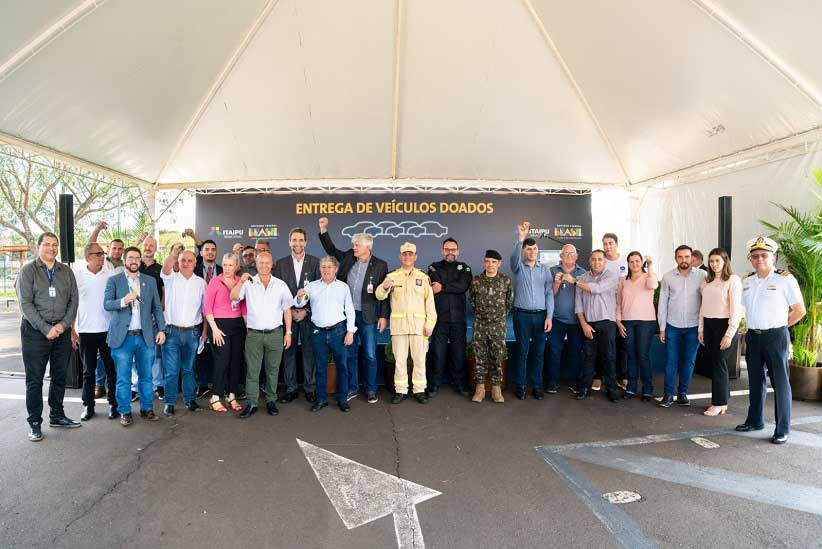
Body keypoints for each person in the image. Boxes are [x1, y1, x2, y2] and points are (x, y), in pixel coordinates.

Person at [736, 236, 805, 444]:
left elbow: (799, 311)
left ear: (773, 257)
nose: (760, 259)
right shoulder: (746, 281)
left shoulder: (785, 279)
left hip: (776, 337)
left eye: (764, 255)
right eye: (755, 256)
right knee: (755, 382)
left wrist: (782, 327)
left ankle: (782, 428)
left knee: (780, 384)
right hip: (753, 337)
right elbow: (742, 309)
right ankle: (755, 420)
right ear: (750, 259)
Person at [16, 232, 80, 441]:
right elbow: (25, 304)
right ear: (38, 246)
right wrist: (46, 329)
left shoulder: (66, 271)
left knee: (59, 376)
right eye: (47, 245)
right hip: (35, 333)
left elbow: (74, 300)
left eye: (55, 245)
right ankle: (35, 422)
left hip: (60, 332)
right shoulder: (28, 271)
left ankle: (57, 415)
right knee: (34, 380)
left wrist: (63, 325)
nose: (51, 248)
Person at [318, 217, 389, 403]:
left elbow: (385, 293)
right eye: (354, 245)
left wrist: (383, 316)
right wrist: (324, 230)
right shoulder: (349, 257)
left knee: (370, 354)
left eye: (357, 245)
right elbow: (331, 251)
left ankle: (372, 389)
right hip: (346, 315)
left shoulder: (381, 265)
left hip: (368, 316)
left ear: (368, 247)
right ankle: (352, 388)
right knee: (350, 353)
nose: (354, 248)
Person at [104, 246, 166, 426]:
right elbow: (107, 304)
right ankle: (124, 412)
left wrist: (161, 329)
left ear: (140, 261)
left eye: (137, 258)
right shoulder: (114, 280)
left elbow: (156, 308)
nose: (134, 261)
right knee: (123, 378)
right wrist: (123, 300)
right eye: (130, 258)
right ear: (125, 260)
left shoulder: (149, 281)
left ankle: (147, 409)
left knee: (146, 377)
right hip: (123, 339)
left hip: (145, 337)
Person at [230, 251, 293, 418]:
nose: (264, 266)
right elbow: (233, 297)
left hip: (275, 334)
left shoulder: (281, 285)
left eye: (267, 263)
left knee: (273, 370)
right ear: (255, 264)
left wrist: (288, 332)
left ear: (272, 264)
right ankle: (252, 403)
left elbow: (287, 310)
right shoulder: (249, 282)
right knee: (253, 371)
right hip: (254, 335)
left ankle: (271, 400)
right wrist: (241, 281)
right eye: (261, 263)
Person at [376, 242, 437, 405]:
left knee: (419, 360)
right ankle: (401, 390)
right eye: (405, 254)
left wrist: (430, 324)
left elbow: (430, 304)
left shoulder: (424, 278)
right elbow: (379, 295)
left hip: (419, 327)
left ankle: (419, 390)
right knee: (400, 361)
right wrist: (384, 286)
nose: (408, 257)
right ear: (400, 256)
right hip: (399, 327)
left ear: (415, 257)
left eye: (411, 254)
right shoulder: (392, 276)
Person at [295, 256, 356, 412]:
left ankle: (342, 399)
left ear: (335, 269)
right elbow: (300, 304)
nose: (326, 270)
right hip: (318, 333)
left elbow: (349, 309)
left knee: (342, 366)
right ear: (320, 269)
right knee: (320, 368)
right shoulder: (311, 287)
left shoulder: (343, 287)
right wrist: (300, 296)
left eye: (329, 267)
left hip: (339, 332)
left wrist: (350, 331)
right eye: (323, 267)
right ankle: (321, 399)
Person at [274, 228, 320, 404]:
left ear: (306, 242)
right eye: (294, 240)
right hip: (288, 317)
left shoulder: (315, 263)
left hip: (308, 316)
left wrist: (306, 311)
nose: (297, 243)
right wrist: (290, 311)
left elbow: (318, 291)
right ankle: (291, 388)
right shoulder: (281, 264)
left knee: (309, 353)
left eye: (301, 240)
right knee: (289, 353)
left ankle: (310, 388)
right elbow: (277, 292)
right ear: (289, 242)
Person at [160, 244, 207, 416]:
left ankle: (190, 400)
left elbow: (205, 309)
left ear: (195, 263)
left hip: (193, 333)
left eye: (190, 260)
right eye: (183, 260)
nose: (186, 263)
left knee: (189, 369)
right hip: (171, 332)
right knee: (171, 371)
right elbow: (165, 268)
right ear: (178, 263)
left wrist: (205, 332)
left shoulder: (201, 283)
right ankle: (170, 402)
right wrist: (173, 254)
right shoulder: (171, 278)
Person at [72, 243, 117, 421]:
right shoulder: (77, 275)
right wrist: (72, 331)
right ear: (87, 257)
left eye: (103, 253)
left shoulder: (110, 274)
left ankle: (113, 404)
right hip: (86, 331)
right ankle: (88, 406)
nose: (102, 256)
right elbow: (72, 304)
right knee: (88, 372)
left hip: (108, 330)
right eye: (98, 254)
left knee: (111, 370)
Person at [657, 245, 707, 408]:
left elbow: (707, 302)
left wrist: (703, 328)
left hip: (694, 327)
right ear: (675, 258)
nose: (684, 260)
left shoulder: (703, 276)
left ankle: (683, 393)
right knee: (671, 361)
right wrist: (662, 327)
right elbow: (663, 302)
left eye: (687, 257)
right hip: (673, 326)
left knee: (689, 361)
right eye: (680, 257)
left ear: (692, 258)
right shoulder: (668, 277)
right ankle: (668, 394)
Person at [510, 221, 553, 400]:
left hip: (541, 316)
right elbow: (513, 259)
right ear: (524, 251)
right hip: (521, 316)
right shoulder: (518, 267)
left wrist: (549, 316)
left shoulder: (544, 269)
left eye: (534, 249)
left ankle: (536, 385)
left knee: (538, 352)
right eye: (528, 249)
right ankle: (520, 385)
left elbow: (549, 293)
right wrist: (520, 238)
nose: (532, 251)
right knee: (522, 351)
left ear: (537, 250)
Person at [698, 248, 742, 416]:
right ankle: (723, 400)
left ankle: (718, 402)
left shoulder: (733, 280)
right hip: (709, 325)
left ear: (725, 261)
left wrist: (729, 334)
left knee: (719, 363)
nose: (714, 264)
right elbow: (703, 307)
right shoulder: (706, 281)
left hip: (725, 325)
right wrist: (701, 328)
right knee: (717, 364)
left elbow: (735, 311)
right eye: (711, 261)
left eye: (717, 261)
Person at [427, 238, 472, 397]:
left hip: (458, 319)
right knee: (437, 353)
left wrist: (444, 286)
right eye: (447, 249)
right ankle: (434, 384)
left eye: (453, 249)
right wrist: (451, 285)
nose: (450, 252)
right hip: (439, 319)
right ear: (442, 251)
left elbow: (463, 286)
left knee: (458, 353)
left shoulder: (465, 268)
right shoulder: (433, 267)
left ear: (457, 251)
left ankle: (459, 383)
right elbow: (434, 286)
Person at [574, 250, 621, 402]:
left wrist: (575, 282)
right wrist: (584, 324)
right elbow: (578, 305)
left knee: (609, 357)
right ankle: (584, 389)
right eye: (594, 259)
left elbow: (597, 288)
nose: (597, 262)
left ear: (605, 262)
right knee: (588, 357)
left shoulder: (612, 276)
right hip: (589, 324)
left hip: (607, 323)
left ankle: (612, 390)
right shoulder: (582, 278)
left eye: (600, 259)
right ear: (589, 261)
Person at [204, 252, 247, 413]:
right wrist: (213, 329)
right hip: (219, 325)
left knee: (236, 361)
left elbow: (243, 306)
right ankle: (215, 397)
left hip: (238, 325)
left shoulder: (240, 281)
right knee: (222, 361)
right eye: (225, 264)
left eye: (231, 265)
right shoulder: (215, 282)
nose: (228, 268)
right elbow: (207, 308)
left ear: (237, 266)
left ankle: (231, 395)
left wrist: (248, 327)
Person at [469, 250, 513, 403]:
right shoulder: (476, 281)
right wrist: (483, 316)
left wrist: (498, 318)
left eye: (494, 262)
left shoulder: (505, 281)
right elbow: (473, 302)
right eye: (488, 261)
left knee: (497, 356)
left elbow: (509, 303)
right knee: (479, 357)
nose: (490, 264)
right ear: (484, 262)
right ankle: (480, 389)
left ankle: (496, 388)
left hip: (498, 326)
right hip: (480, 325)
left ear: (499, 264)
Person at [616, 252, 658, 401]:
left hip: (646, 322)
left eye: (638, 261)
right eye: (631, 261)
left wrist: (651, 266)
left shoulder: (649, 277)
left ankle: (647, 389)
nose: (635, 264)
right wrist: (618, 321)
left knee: (642, 355)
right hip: (627, 322)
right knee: (631, 355)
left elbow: (653, 285)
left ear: (642, 262)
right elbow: (619, 302)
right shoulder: (623, 280)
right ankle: (631, 388)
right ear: (627, 264)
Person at [547, 244, 587, 394]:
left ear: (576, 256)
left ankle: (573, 381)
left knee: (575, 352)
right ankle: (552, 382)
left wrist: (574, 281)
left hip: (577, 320)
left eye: (572, 254)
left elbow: (587, 295)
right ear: (561, 256)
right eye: (566, 254)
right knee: (554, 351)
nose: (569, 256)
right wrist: (556, 283)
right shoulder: (552, 271)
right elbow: (549, 295)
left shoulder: (583, 273)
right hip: (557, 319)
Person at [138, 235, 165, 398]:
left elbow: (163, 294)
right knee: (135, 355)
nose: (148, 248)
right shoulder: (134, 265)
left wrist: (158, 312)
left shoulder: (160, 269)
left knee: (155, 354)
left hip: (153, 319)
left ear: (155, 249)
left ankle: (158, 385)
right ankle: (136, 387)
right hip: (133, 320)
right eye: (146, 245)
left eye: (151, 245)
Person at [602, 232, 628, 390]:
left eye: (610, 243)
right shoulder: (601, 261)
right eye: (605, 243)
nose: (607, 246)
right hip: (606, 308)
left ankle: (623, 376)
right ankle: (604, 376)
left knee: (622, 344)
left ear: (616, 244)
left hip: (623, 308)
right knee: (607, 345)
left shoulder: (625, 260)